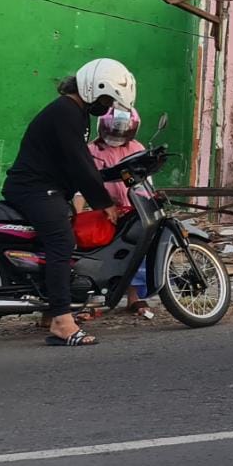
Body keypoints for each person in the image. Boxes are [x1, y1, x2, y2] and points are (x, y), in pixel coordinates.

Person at [2, 58, 137, 347]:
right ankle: (63, 322)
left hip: (44, 189)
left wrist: (110, 176)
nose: (106, 105)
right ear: (91, 88)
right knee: (61, 241)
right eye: (105, 98)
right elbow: (79, 164)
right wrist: (103, 202)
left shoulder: (74, 113)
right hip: (34, 189)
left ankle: (49, 311)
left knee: (53, 241)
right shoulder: (66, 112)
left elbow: (82, 161)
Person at [83, 106, 154, 320]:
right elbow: (83, 185)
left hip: (133, 210)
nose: (117, 136)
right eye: (113, 131)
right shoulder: (92, 151)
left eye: (122, 131)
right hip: (102, 212)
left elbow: (138, 181)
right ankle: (94, 299)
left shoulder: (135, 149)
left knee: (137, 253)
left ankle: (134, 297)